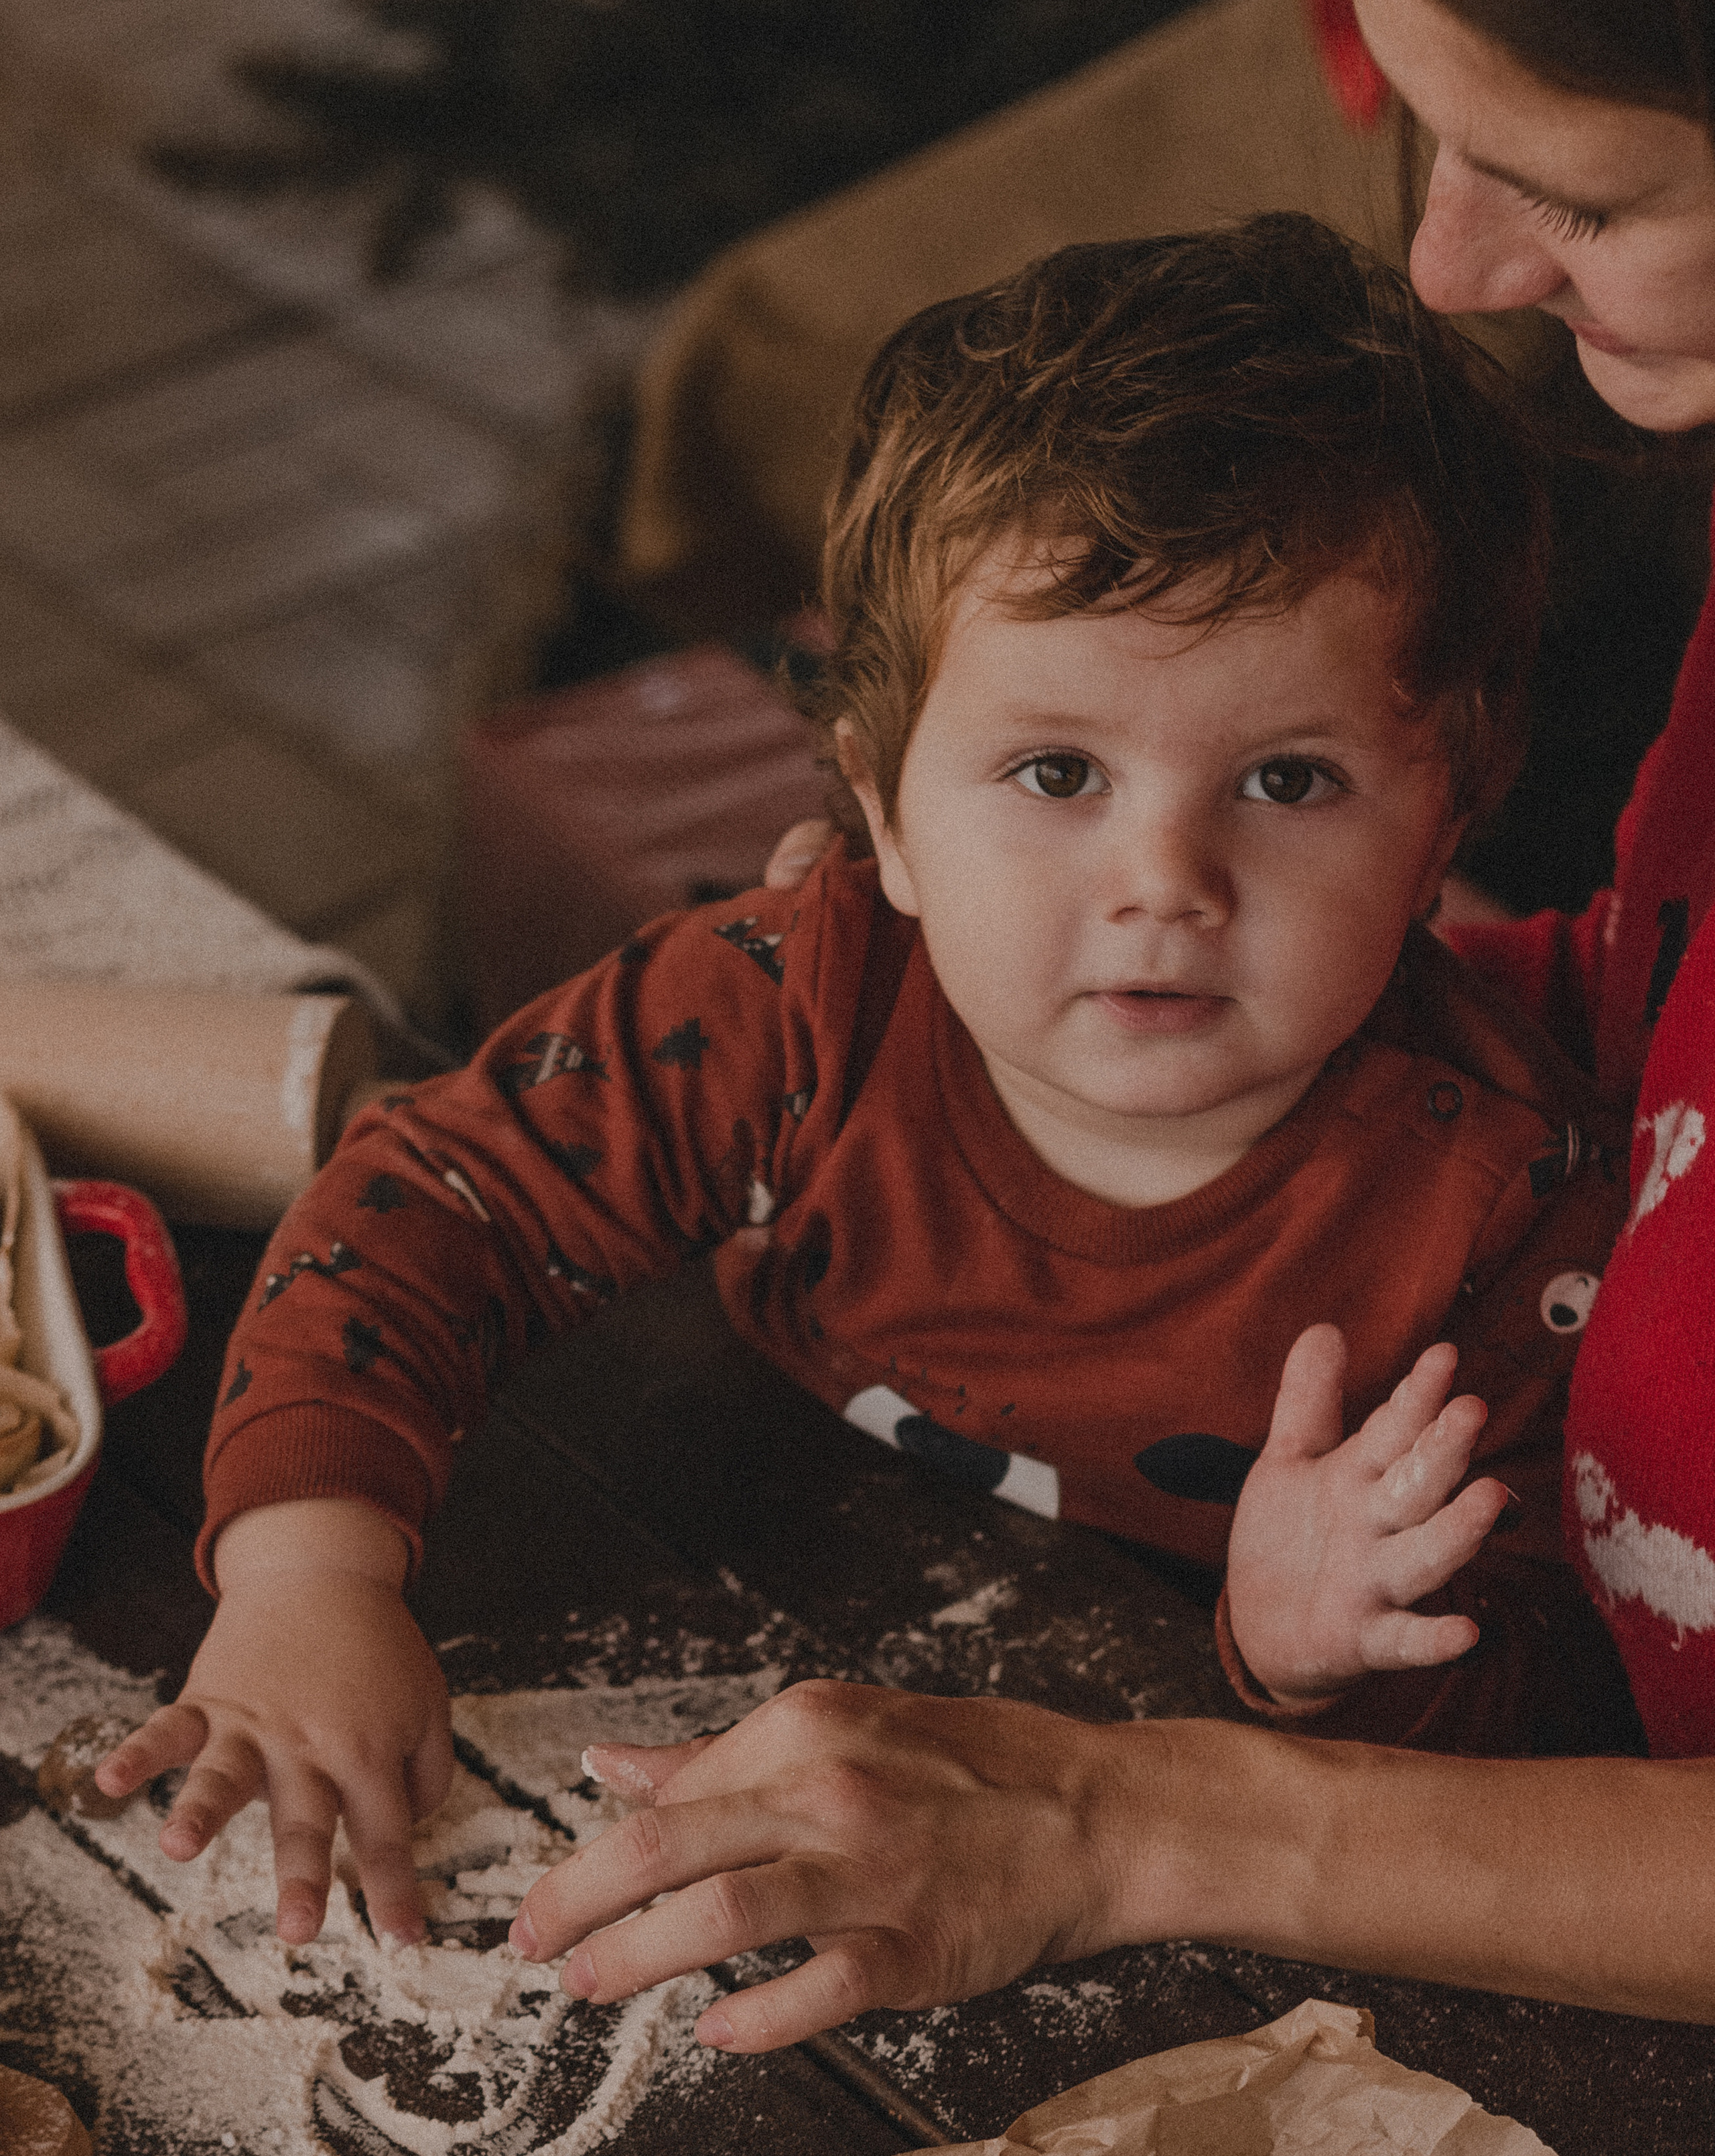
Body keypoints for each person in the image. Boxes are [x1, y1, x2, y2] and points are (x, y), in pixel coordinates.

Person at [95, 211, 1630, 1956]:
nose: (1166, 881)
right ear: (885, 816)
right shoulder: (803, 995)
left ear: (1447, 823)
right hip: (733, 1586)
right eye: (1058, 769)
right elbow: (438, 1197)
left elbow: (1532, 1760)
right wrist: (308, 1574)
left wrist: (1308, 1649)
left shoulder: (1506, 1211)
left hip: (1128, 1870)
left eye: (1287, 781)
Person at [456, 0, 1715, 2059]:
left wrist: (1151, 1811)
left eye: (1584, 188)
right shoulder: (860, 997)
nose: (1456, 266)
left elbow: (1498, 1679)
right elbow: (1678, 996)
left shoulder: (1494, 1280)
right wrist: (1121, 1016)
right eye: (1420, 130)